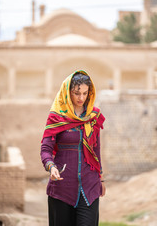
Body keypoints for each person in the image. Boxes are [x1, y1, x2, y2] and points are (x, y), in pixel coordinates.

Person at [40, 70, 106, 226]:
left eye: (85, 93)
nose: (81, 98)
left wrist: (101, 178)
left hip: (90, 187)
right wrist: (51, 167)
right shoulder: (57, 117)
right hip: (62, 187)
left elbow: (96, 150)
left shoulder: (93, 116)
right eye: (77, 93)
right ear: (68, 92)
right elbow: (45, 149)